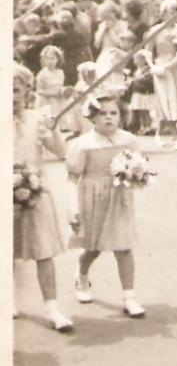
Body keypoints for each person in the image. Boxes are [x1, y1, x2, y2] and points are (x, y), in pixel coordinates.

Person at [66, 93, 149, 319]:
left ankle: (129, 296)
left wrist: (136, 175)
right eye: (103, 114)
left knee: (124, 246)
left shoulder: (128, 140)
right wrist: (71, 207)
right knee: (93, 248)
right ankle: (81, 275)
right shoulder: (83, 144)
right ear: (92, 117)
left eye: (114, 113)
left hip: (120, 197)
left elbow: (137, 165)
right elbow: (73, 178)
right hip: (93, 197)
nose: (109, 118)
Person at [12, 65, 74, 331]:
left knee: (43, 253)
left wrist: (54, 130)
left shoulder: (38, 118)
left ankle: (52, 308)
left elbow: (61, 153)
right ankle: (7, 299)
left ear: (26, 91)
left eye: (15, 90)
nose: (10, 95)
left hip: (35, 193)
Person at [149, 0, 177, 150]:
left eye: (176, 11)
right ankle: (174, 136)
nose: (174, 14)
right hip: (159, 68)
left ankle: (159, 133)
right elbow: (147, 51)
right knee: (163, 100)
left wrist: (167, 66)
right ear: (163, 13)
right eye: (171, 11)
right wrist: (153, 66)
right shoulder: (155, 30)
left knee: (173, 100)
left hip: (175, 68)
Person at [35, 45, 67, 118]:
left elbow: (60, 87)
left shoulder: (60, 73)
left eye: (52, 58)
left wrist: (63, 91)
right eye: (47, 59)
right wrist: (51, 94)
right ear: (43, 59)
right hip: (46, 103)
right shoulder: (43, 74)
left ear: (58, 59)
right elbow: (38, 91)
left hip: (58, 102)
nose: (49, 61)